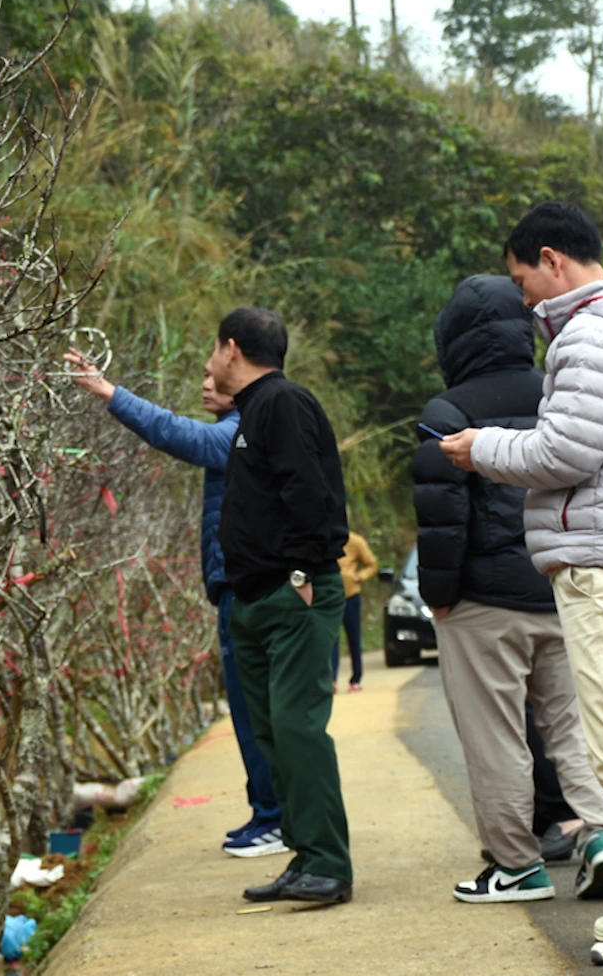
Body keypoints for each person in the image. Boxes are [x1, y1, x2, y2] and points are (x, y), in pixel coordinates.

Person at [440, 202, 603, 964]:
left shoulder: (592, 334)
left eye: (523, 278)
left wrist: (479, 447)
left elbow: (565, 453)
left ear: (552, 259)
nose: (523, 300)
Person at [413, 274, 603, 907]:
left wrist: (439, 596)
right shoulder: (559, 395)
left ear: (453, 337)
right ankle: (601, 836)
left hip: (482, 602)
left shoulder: (445, 413)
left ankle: (517, 866)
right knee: (573, 729)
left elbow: (442, 517)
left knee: (497, 736)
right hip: (560, 589)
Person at [61, 348, 285, 859]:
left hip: (241, 586)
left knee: (256, 713)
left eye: (213, 375)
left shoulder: (238, 431)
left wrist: (110, 394)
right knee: (253, 713)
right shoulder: (247, 424)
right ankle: (268, 813)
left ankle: (274, 817)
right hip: (233, 584)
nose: (205, 384)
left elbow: (183, 436)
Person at [207, 306, 354, 907]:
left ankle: (327, 863)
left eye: (214, 351)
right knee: (272, 732)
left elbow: (308, 493)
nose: (211, 363)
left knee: (297, 728)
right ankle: (304, 855)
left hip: (293, 591)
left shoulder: (283, 403)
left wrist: (300, 571)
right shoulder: (250, 413)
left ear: (233, 348)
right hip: (255, 596)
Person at [334, 531, 376, 691]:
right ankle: (332, 679)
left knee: (354, 637)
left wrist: (359, 577)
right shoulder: (327, 537)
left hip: (351, 595)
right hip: (331, 595)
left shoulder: (355, 541)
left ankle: (356, 678)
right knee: (331, 638)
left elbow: (371, 564)